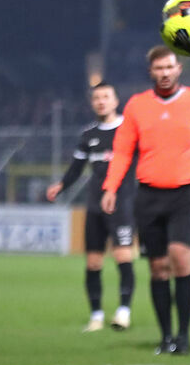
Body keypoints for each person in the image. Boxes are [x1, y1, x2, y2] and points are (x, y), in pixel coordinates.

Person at [101, 45, 190, 355]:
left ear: (179, 69)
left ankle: (183, 337)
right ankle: (165, 338)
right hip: (149, 196)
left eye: (169, 67)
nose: (164, 73)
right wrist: (110, 187)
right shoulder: (137, 106)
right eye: (158, 68)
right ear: (151, 72)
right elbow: (122, 151)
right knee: (158, 268)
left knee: (180, 258)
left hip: (185, 194)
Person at [46, 82, 136, 333]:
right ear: (92, 103)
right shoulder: (88, 135)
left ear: (116, 101)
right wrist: (61, 185)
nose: (101, 101)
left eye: (106, 97)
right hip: (95, 206)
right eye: (97, 98)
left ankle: (123, 312)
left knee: (123, 256)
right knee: (93, 263)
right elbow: (76, 169)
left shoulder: (129, 130)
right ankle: (96, 315)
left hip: (122, 204)